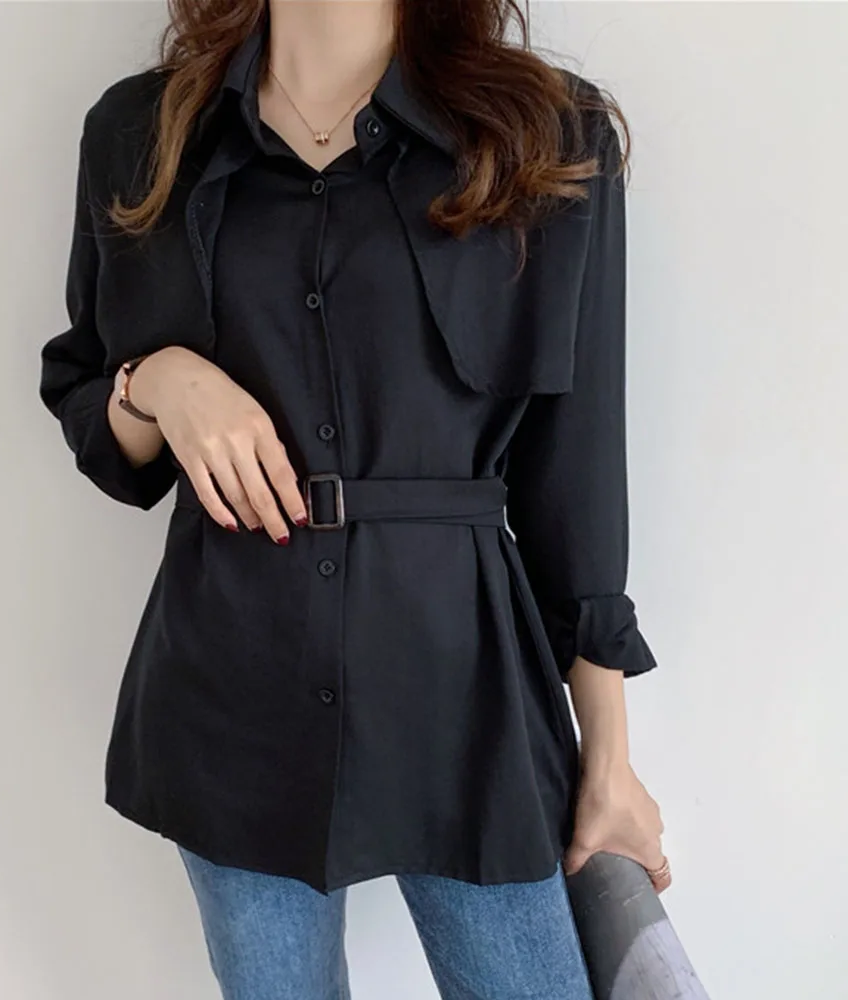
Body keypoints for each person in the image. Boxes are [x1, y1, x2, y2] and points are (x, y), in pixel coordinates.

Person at [39, 1, 669, 997]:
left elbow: (576, 469)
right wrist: (157, 378)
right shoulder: (142, 133)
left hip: (464, 697)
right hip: (231, 690)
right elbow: (92, 406)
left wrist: (610, 759)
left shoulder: (545, 131)